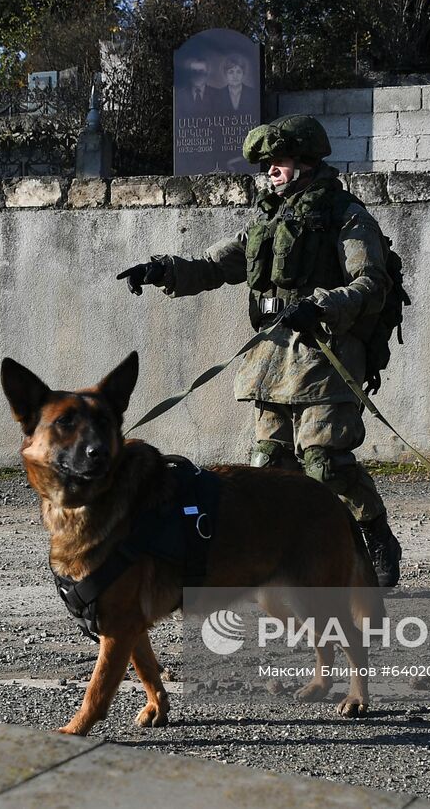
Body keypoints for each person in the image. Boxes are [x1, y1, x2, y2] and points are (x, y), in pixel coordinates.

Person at [116, 114, 404, 587]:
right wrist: (162, 271)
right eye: (268, 163)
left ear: (307, 162)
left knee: (325, 464)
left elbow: (372, 282)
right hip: (270, 360)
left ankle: (374, 535)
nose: (271, 170)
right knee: (269, 469)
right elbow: (213, 265)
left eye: (281, 161)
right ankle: (285, 562)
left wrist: (322, 305)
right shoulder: (266, 219)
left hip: (325, 356)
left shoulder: (347, 215)